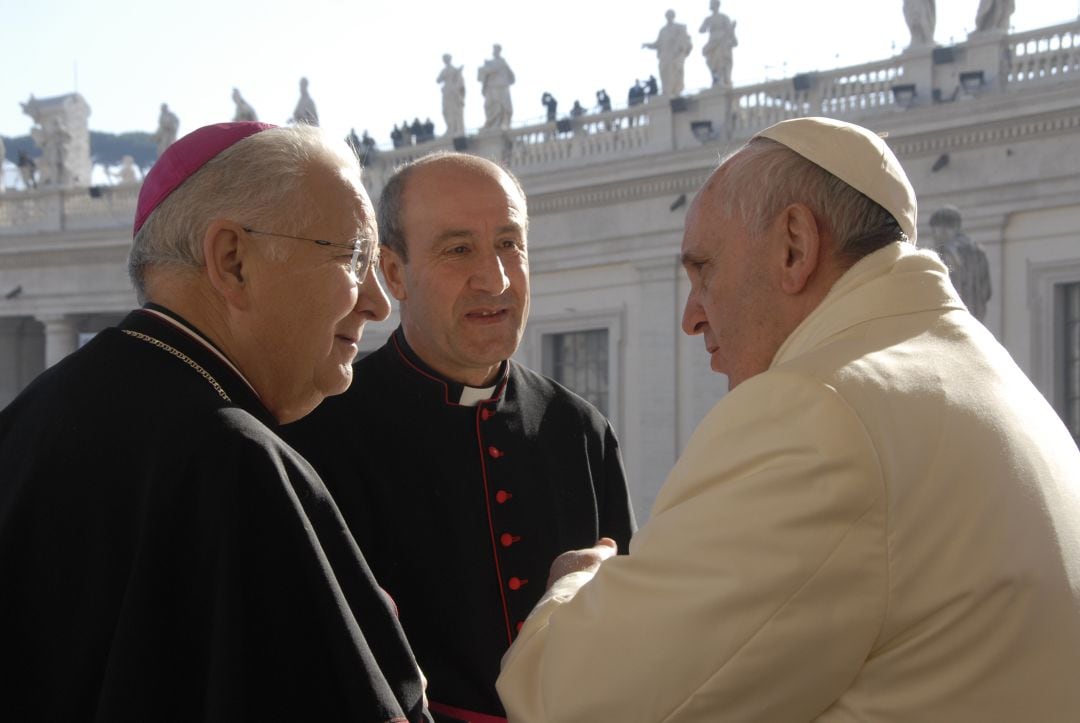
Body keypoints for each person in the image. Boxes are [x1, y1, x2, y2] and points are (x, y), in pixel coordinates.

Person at [497, 116, 1080, 720]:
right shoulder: (993, 376)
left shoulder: (816, 412)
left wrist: (576, 585)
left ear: (794, 247)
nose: (691, 317)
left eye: (704, 271)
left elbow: (570, 703)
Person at [0, 121, 431, 722]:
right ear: (233, 260)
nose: (380, 302)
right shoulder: (236, 462)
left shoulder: (29, 418)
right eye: (353, 256)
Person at [283, 151, 636, 722]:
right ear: (393, 273)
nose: (494, 278)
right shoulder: (319, 430)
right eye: (458, 249)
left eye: (509, 244)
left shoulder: (580, 430)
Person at [930, 204, 991, 321]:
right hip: (976, 319)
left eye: (934, 231)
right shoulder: (978, 250)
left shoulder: (946, 252)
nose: (934, 236)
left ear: (944, 229)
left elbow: (945, 290)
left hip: (954, 318)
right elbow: (987, 291)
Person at [642, 9, 693, 97]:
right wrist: (647, 45)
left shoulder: (679, 27)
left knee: (675, 72)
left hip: (674, 55)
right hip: (664, 56)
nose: (669, 17)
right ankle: (667, 91)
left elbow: (685, 40)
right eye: (667, 15)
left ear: (673, 16)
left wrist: (679, 48)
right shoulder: (663, 30)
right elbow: (657, 44)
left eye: (670, 15)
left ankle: (676, 91)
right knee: (664, 73)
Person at [699, 0, 738, 87]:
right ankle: (716, 80)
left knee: (722, 61)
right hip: (712, 41)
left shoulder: (724, 17)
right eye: (711, 4)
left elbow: (729, 30)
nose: (712, 6)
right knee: (712, 62)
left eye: (713, 4)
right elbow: (701, 30)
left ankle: (722, 80)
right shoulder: (708, 19)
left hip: (722, 42)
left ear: (717, 5)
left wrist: (733, 36)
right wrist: (705, 26)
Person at [478, 43, 515, 130]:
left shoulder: (502, 62)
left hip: (500, 87)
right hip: (491, 87)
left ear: (499, 51)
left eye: (495, 49)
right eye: (494, 49)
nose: (494, 51)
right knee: (488, 105)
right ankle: (492, 123)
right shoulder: (490, 63)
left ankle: (499, 123)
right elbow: (484, 73)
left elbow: (511, 77)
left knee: (500, 105)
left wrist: (488, 69)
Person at [438, 53, 466, 138]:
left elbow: (461, 85)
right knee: (446, 111)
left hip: (453, 92)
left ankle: (456, 129)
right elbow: (438, 80)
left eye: (446, 58)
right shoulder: (446, 70)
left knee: (455, 111)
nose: (445, 60)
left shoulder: (454, 70)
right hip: (447, 92)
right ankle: (450, 128)